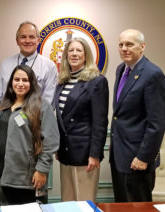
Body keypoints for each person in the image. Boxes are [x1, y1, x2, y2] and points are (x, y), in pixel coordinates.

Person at [0, 65, 59, 205]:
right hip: (4, 174)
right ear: (11, 82)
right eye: (16, 79)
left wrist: (42, 170)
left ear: (32, 83)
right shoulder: (3, 105)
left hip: (28, 178)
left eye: (25, 80)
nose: (20, 84)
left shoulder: (41, 106)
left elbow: (51, 141)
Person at [109, 29, 165, 202]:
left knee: (138, 207)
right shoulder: (121, 69)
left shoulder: (153, 75)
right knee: (122, 205)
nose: (124, 48)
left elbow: (156, 123)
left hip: (138, 160)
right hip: (119, 156)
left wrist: (144, 157)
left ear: (142, 47)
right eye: (121, 45)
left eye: (130, 44)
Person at [53, 37, 109, 202]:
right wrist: (58, 145)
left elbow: (100, 122)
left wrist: (95, 154)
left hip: (85, 154)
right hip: (65, 151)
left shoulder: (97, 82)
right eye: (71, 50)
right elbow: (61, 119)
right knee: (68, 201)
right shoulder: (62, 81)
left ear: (86, 55)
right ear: (66, 55)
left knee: (84, 202)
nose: (74, 54)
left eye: (79, 50)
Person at [0, 21, 58, 111]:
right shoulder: (6, 64)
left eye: (31, 37)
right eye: (23, 37)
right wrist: (1, 116)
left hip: (35, 120)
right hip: (6, 119)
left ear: (38, 40)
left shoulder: (49, 66)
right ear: (17, 41)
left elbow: (48, 101)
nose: (27, 41)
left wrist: (31, 120)